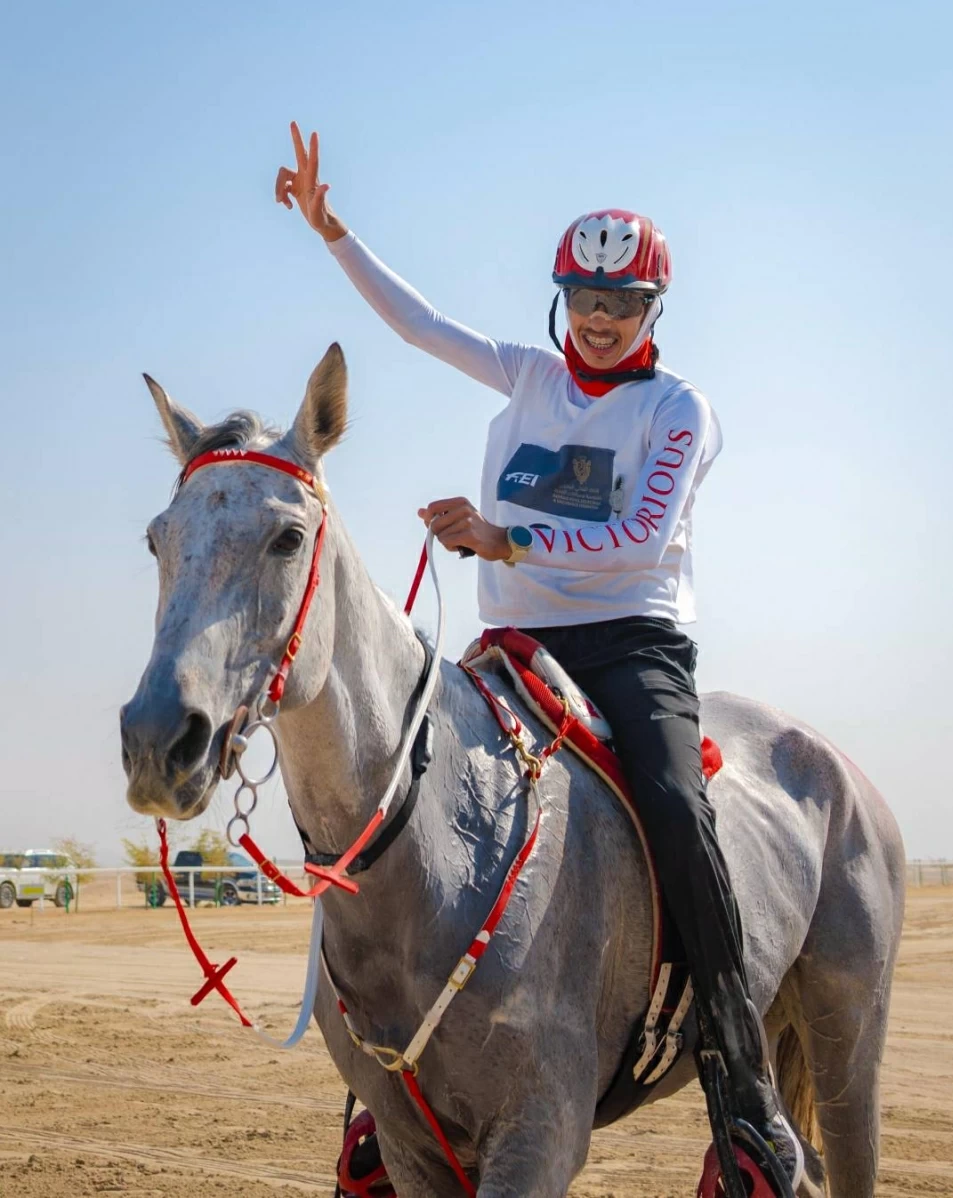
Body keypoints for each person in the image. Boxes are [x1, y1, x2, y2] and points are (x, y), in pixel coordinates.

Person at [275, 122, 804, 1192]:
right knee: (400, 816)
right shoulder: (523, 372)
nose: (600, 322)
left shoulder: (677, 409)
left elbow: (640, 542)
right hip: (515, 644)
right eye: (584, 300)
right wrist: (334, 232)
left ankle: (742, 1092)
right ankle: (377, 1101)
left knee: (673, 800)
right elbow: (420, 326)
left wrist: (503, 535)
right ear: (561, 297)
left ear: (653, 312)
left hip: (629, 646)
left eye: (622, 306)